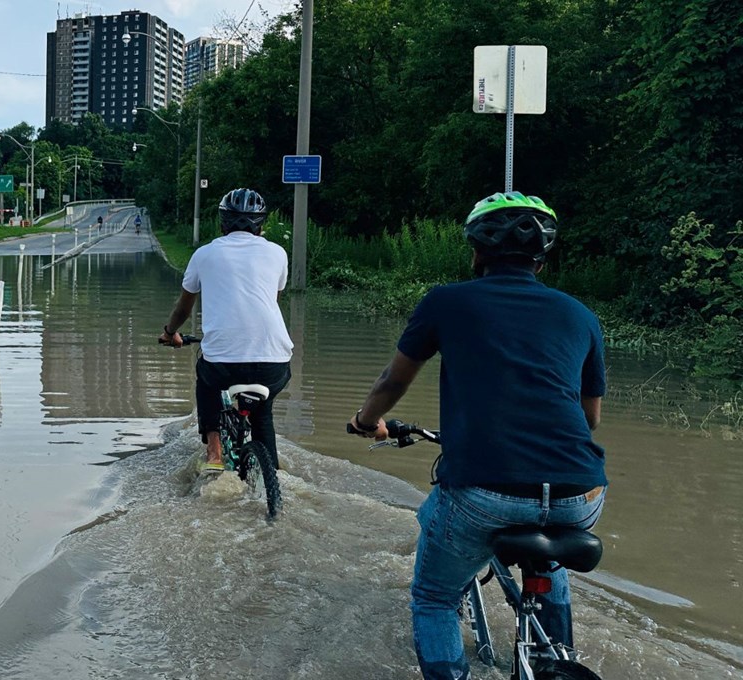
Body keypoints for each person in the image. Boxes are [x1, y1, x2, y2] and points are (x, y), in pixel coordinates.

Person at [347, 192, 607, 679]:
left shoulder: (447, 302)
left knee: (433, 596)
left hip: (486, 492)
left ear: (476, 251)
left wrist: (366, 421)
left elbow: (394, 381)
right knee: (549, 558)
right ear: (543, 257)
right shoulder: (580, 315)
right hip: (581, 492)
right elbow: (588, 419)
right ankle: (555, 656)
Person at [159, 188, 294, 473]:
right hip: (274, 362)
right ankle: (273, 475)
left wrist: (171, 332)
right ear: (261, 225)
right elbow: (271, 300)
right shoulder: (278, 253)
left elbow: (183, 308)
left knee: (206, 380)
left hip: (223, 363)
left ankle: (214, 452)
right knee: (263, 412)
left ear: (221, 223)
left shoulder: (204, 254)